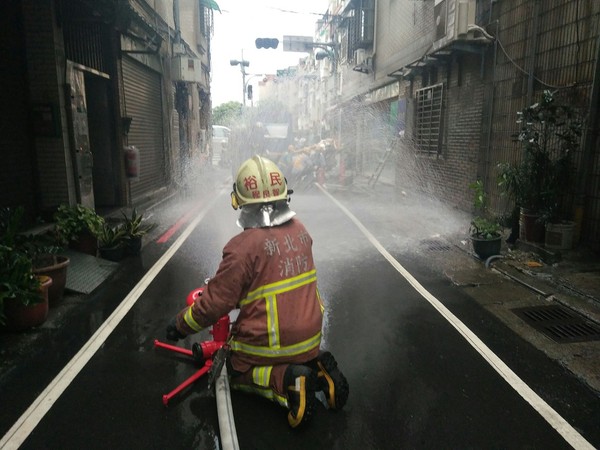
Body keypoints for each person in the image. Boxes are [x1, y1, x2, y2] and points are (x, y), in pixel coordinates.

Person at [166, 155, 349, 428]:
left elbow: (215, 304)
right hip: (310, 338)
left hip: (270, 344)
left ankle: (288, 382)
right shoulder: (301, 231)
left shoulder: (242, 247)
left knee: (233, 371)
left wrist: (180, 325)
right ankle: (319, 369)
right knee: (297, 357)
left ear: (239, 202)